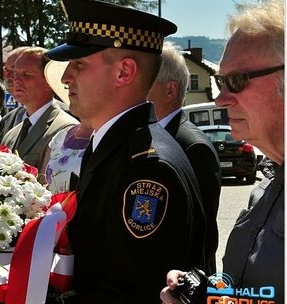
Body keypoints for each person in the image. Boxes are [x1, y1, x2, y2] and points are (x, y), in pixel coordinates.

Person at [45, 0, 207, 302]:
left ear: (124, 72)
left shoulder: (147, 167)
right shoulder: (111, 144)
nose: (66, 77)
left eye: (79, 63)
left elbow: (129, 292)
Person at [160, 0, 284, 303]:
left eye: (237, 81)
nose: (221, 99)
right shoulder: (268, 182)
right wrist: (205, 293)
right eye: (220, 81)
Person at [147, 41, 221, 274]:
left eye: (145, 83)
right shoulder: (151, 135)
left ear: (170, 90)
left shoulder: (193, 146)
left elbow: (202, 236)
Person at [0, 46, 78, 170]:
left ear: (48, 81)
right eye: (15, 74)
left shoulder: (66, 130)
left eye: (26, 74)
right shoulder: (11, 134)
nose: (16, 80)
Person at [42, 60, 93, 193]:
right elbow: (44, 190)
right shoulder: (60, 137)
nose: (65, 80)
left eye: (79, 65)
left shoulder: (114, 137)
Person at [0, 46, 29, 143]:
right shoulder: (7, 120)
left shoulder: (64, 116)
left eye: (15, 69)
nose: (8, 76)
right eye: (6, 70)